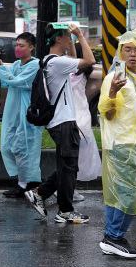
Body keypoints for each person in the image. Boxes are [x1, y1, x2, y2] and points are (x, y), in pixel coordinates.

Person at [27, 22, 96, 224]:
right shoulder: (56, 62)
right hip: (63, 121)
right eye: (67, 36)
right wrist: (80, 35)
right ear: (58, 38)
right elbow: (89, 61)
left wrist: (74, 40)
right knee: (68, 167)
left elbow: (75, 62)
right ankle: (64, 210)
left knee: (68, 166)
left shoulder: (50, 61)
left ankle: (40, 193)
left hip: (60, 121)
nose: (70, 39)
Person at [97, 33, 136, 259]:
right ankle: (114, 236)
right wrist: (113, 91)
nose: (132, 54)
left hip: (135, 143)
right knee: (129, 194)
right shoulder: (113, 78)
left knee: (120, 193)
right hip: (122, 144)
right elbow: (107, 113)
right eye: (127, 49)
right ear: (120, 53)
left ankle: (112, 236)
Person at [0, 32, 43, 199]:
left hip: (27, 109)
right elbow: (1, 82)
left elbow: (18, 82)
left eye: (22, 45)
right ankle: (24, 181)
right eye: (17, 45)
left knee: (25, 146)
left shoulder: (35, 65)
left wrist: (2, 69)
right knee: (7, 144)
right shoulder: (15, 65)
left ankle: (27, 183)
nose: (18, 48)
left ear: (31, 47)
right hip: (13, 110)